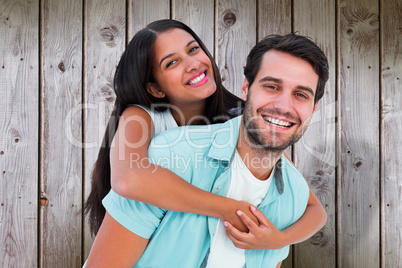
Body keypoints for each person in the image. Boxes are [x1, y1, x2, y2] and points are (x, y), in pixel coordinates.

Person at [84, 32, 329, 268]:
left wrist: (279, 240)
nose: (193, 64)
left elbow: (307, 202)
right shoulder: (156, 138)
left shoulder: (280, 174)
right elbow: (128, 179)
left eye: (193, 49)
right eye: (272, 86)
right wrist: (231, 208)